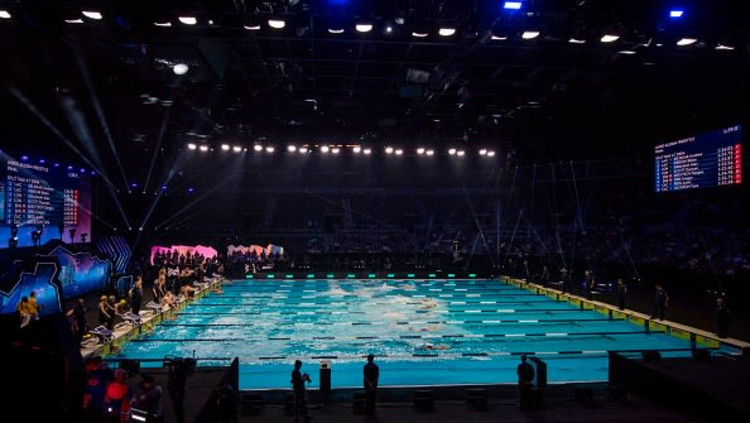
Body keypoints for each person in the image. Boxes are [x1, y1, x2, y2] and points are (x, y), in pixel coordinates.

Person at [168, 359, 188, 423]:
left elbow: (174, 381)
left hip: (177, 391)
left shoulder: (178, 372)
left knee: (178, 406)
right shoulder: (179, 371)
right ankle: (180, 419)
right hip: (176, 390)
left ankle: (180, 419)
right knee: (177, 406)